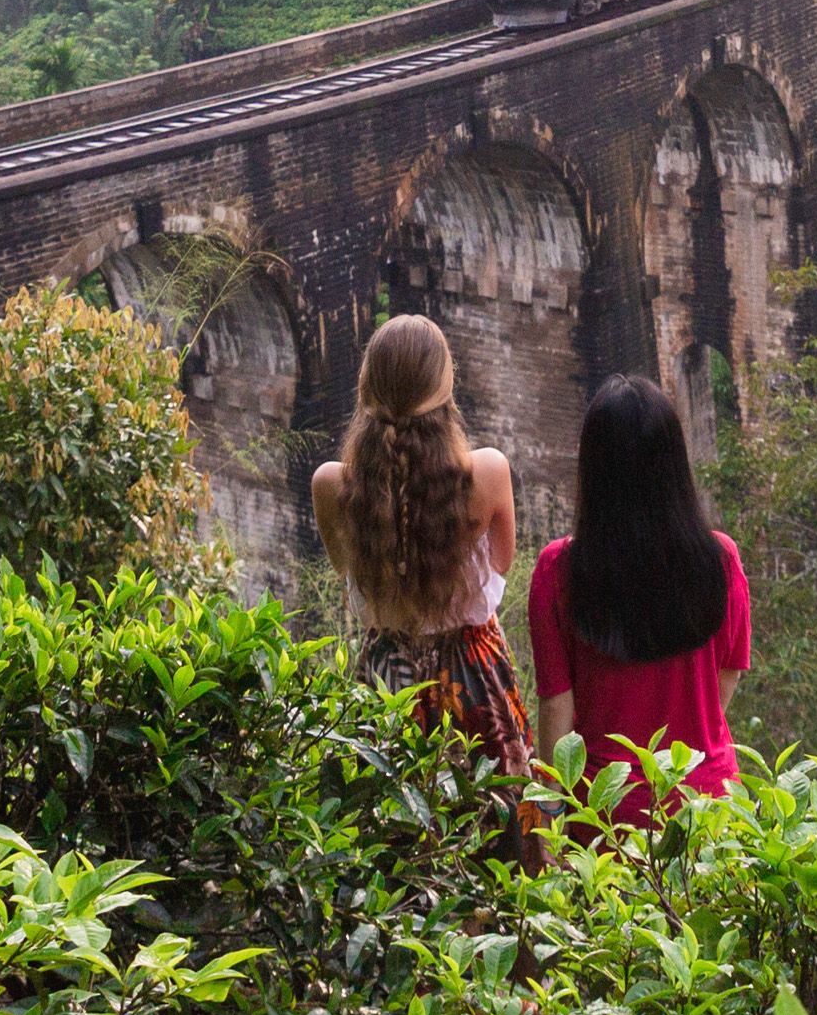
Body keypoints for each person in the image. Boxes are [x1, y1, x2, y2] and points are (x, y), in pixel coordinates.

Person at [313, 315, 536, 859]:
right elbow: (501, 565)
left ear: (366, 385)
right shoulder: (487, 473)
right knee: (499, 842)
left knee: (386, 849)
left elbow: (347, 569)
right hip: (475, 677)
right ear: (446, 384)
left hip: (386, 678)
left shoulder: (331, 485)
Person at [528, 375, 752, 831]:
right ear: (675, 465)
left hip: (605, 809)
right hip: (705, 803)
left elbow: (556, 709)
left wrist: (550, 815)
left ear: (592, 469)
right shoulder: (721, 559)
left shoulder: (558, 570)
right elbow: (727, 675)